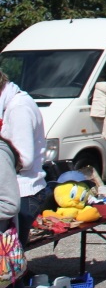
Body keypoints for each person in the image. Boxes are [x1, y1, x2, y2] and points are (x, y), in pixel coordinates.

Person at [0, 72, 46, 245]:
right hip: (17, 191)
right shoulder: (10, 104)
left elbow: (24, 158)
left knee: (11, 254)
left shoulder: (18, 108)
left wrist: (3, 160)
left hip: (24, 192)